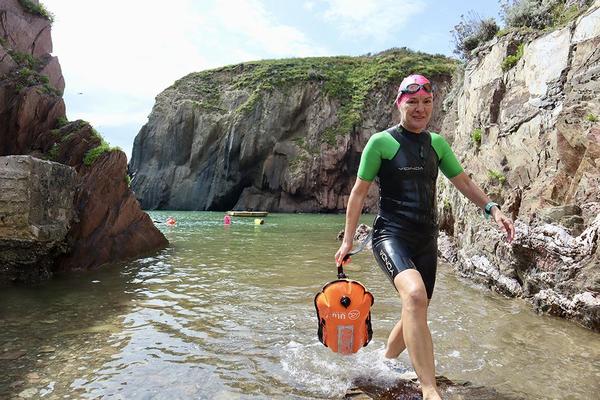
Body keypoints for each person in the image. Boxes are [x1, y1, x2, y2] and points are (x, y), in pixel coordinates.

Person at [335, 74, 515, 400]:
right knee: (415, 296)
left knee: (418, 307)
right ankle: (429, 389)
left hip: (426, 239)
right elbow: (358, 195)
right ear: (399, 104)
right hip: (391, 234)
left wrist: (492, 208)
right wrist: (348, 241)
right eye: (412, 102)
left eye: (427, 102)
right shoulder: (381, 143)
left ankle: (384, 362)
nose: (420, 109)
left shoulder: (437, 144)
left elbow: (463, 182)